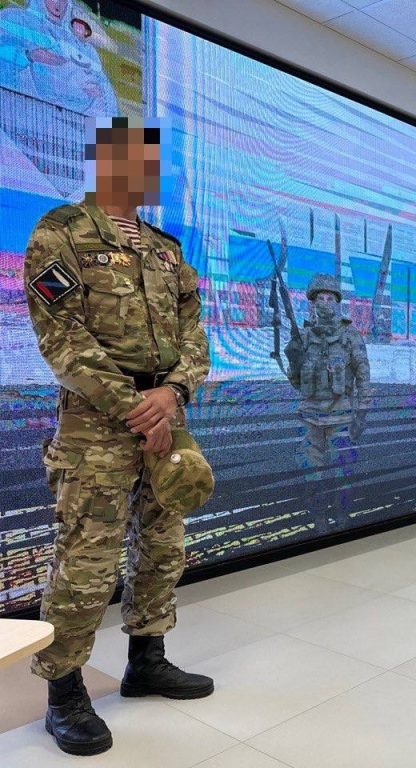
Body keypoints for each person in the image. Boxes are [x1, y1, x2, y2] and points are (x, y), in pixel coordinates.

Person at [24, 117, 213, 757]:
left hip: (167, 415)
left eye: (151, 160)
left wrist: (174, 394)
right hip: (97, 423)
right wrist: (140, 405)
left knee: (163, 543)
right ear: (106, 161)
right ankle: (64, 692)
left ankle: (147, 660)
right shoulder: (61, 233)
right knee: (87, 561)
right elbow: (62, 340)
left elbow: (196, 337)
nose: (147, 170)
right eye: (133, 157)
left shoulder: (167, 248)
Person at [284, 272, 370, 479]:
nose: (325, 303)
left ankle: (341, 510)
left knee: (342, 474)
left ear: (337, 302)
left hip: (341, 416)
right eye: (320, 299)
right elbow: (295, 379)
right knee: (310, 474)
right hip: (310, 416)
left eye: (330, 298)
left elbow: (363, 375)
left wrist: (362, 412)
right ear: (313, 303)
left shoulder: (350, 335)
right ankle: (316, 509)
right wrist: (294, 358)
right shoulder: (303, 337)